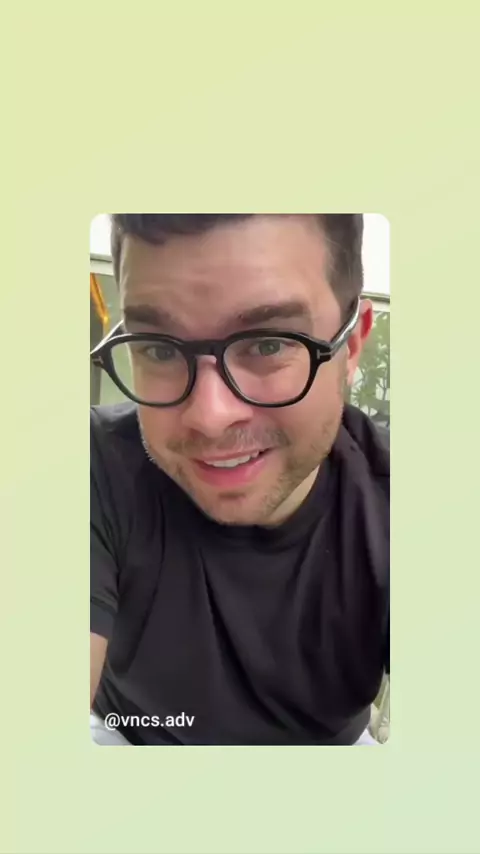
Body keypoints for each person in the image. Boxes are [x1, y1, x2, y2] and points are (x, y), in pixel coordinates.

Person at [90, 214, 389, 746]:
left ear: (354, 343)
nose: (209, 417)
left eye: (269, 344)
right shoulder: (89, 465)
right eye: (159, 349)